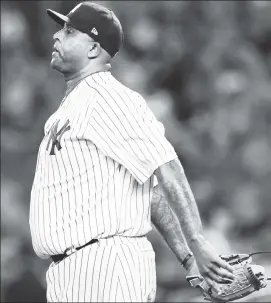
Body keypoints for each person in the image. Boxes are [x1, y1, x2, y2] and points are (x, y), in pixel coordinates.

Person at [29, 2, 234, 302]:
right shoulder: (76, 104)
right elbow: (147, 194)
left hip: (105, 266)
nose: (56, 36)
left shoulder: (107, 98)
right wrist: (188, 260)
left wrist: (197, 240)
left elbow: (167, 165)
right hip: (72, 271)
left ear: (93, 49)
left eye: (70, 31)